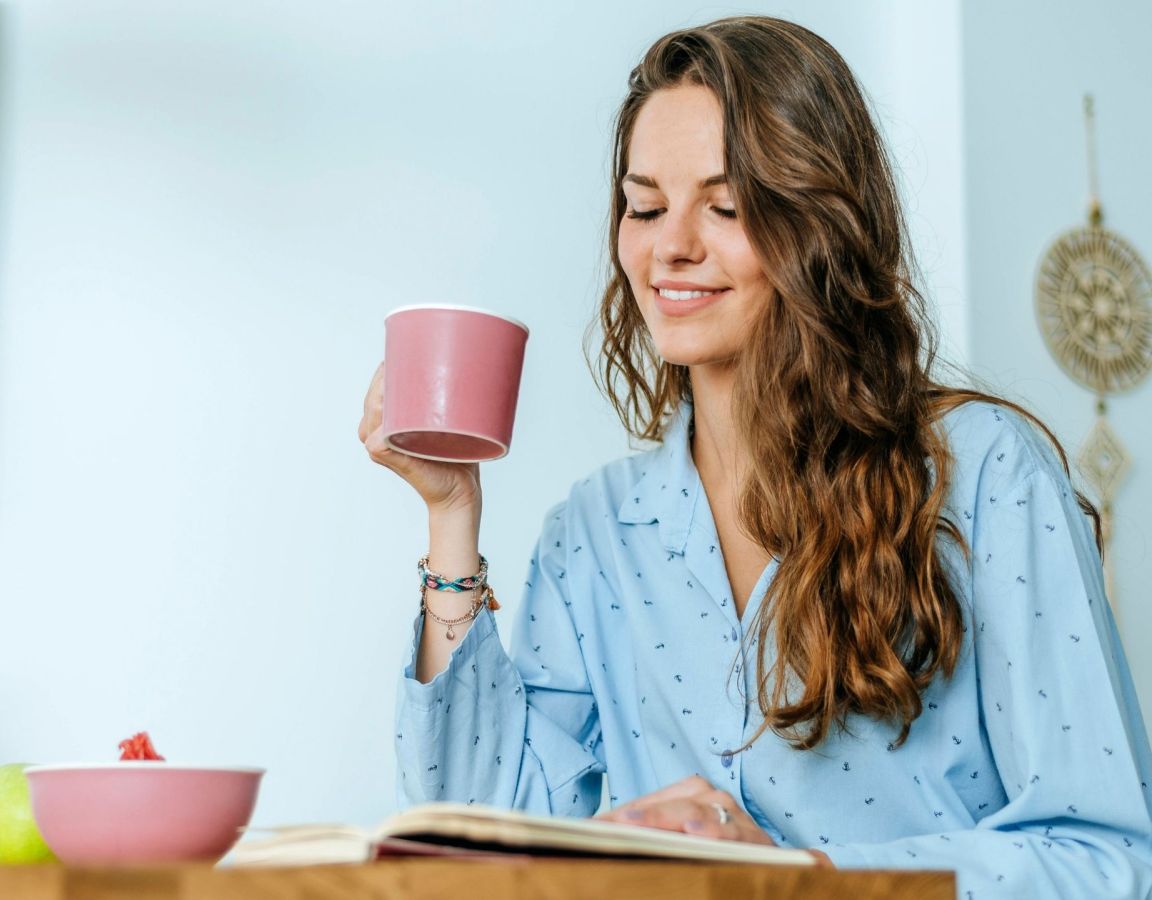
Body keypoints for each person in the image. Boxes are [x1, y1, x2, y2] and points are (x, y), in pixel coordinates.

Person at [358, 16, 1152, 900]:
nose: (671, 246)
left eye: (727, 207)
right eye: (645, 205)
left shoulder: (984, 476)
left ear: (820, 225)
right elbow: (478, 838)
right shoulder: (594, 534)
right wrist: (451, 512)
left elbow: (1107, 859)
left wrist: (793, 879)